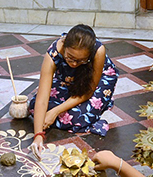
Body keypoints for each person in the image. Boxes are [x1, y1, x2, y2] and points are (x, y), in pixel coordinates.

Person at [29, 25, 118, 157]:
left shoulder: (98, 51)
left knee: (75, 118)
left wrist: (55, 112)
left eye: (81, 60)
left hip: (98, 81)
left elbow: (88, 92)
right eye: (70, 57)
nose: (74, 64)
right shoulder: (53, 52)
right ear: (64, 47)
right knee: (34, 105)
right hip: (68, 78)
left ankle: (102, 102)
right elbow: (42, 98)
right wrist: (38, 135)